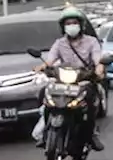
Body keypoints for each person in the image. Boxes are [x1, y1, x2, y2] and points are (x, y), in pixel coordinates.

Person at [33, 8, 105, 151]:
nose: (71, 26)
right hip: (64, 80)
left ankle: (91, 135)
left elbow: (98, 58)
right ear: (63, 27)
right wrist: (42, 66)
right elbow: (50, 59)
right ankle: (46, 133)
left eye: (74, 23)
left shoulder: (91, 42)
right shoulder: (59, 43)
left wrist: (99, 68)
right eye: (68, 23)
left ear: (80, 25)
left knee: (90, 100)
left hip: (84, 79)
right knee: (44, 93)